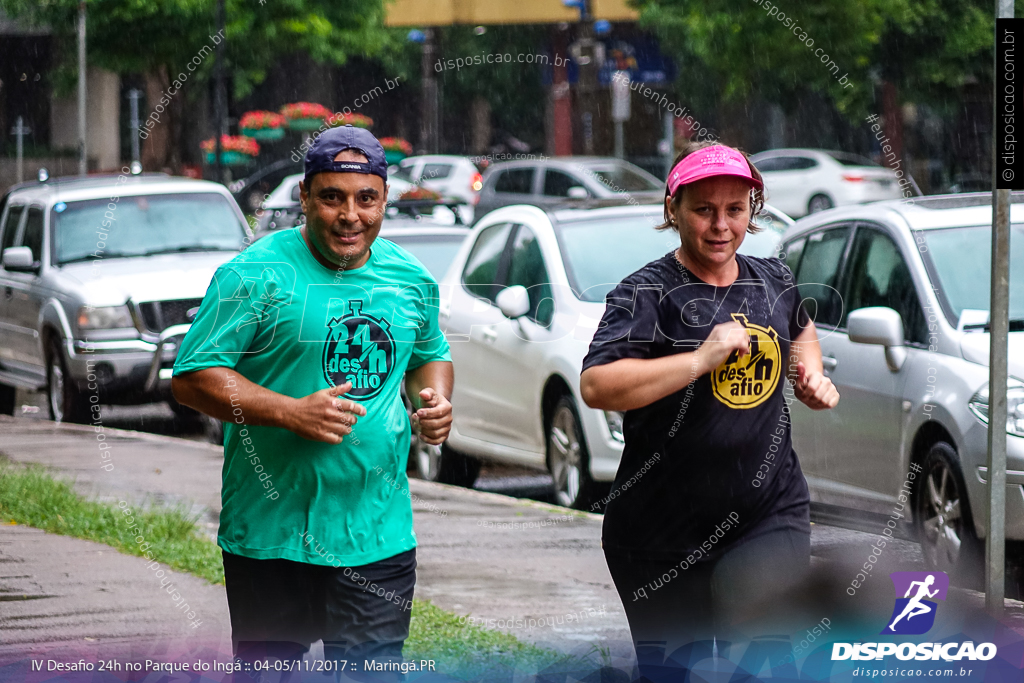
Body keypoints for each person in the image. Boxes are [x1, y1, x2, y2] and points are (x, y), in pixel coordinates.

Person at [171, 125, 453, 676]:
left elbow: (430, 352)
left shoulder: (410, 279)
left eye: (366, 199)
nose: (351, 216)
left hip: (377, 534)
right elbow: (192, 376)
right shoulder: (253, 274)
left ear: (384, 199)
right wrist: (291, 412)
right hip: (271, 537)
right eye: (332, 197)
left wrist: (436, 401)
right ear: (304, 198)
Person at [579, 142, 840, 673]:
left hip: (768, 512)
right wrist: (701, 358)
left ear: (754, 210)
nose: (721, 225)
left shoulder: (773, 279)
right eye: (704, 210)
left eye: (736, 209)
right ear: (673, 210)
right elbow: (598, 386)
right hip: (660, 533)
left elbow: (801, 327)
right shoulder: (645, 294)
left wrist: (810, 374)